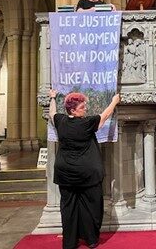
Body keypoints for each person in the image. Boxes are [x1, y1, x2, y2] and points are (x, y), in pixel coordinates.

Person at [49, 89, 120, 249]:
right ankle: (91, 240)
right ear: (73, 109)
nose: (85, 108)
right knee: (92, 206)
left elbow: (52, 114)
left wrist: (52, 98)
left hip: (65, 173)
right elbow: (105, 116)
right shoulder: (87, 123)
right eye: (82, 106)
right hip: (87, 173)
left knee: (68, 207)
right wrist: (114, 101)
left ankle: (70, 242)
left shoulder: (61, 121)